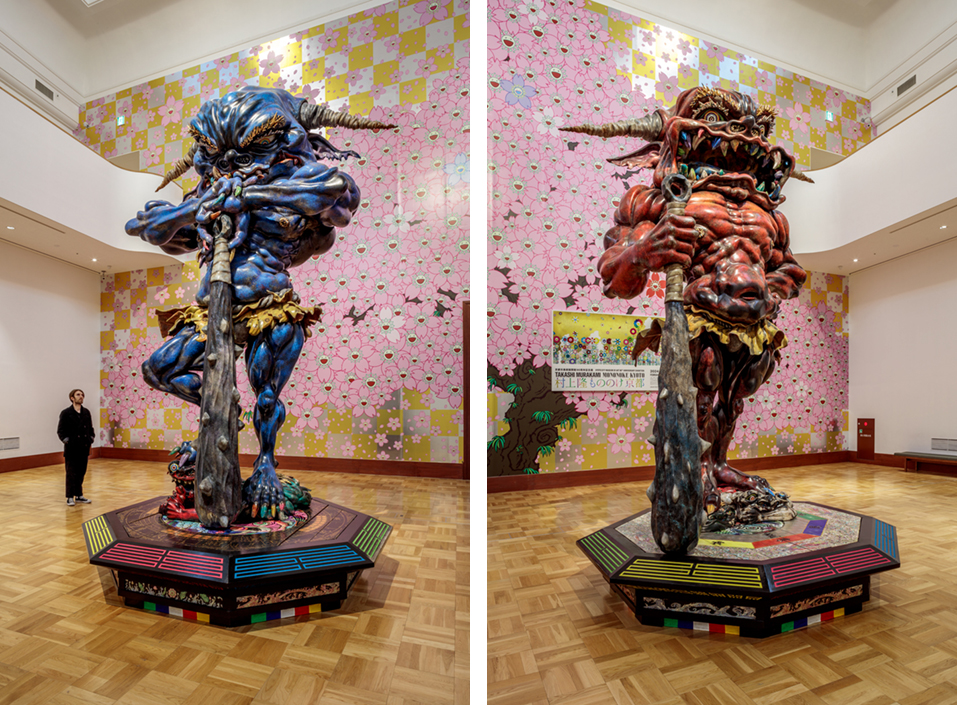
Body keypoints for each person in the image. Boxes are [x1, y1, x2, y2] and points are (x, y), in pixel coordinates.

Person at [57, 389, 95, 506]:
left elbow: (90, 428)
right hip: (72, 449)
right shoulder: (66, 413)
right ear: (72, 398)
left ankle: (79, 495)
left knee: (81, 472)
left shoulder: (86, 412)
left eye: (82, 395)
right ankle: (69, 497)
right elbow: (61, 430)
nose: (81, 396)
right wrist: (67, 441)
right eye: (78, 395)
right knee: (71, 473)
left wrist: (91, 438)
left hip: (84, 447)